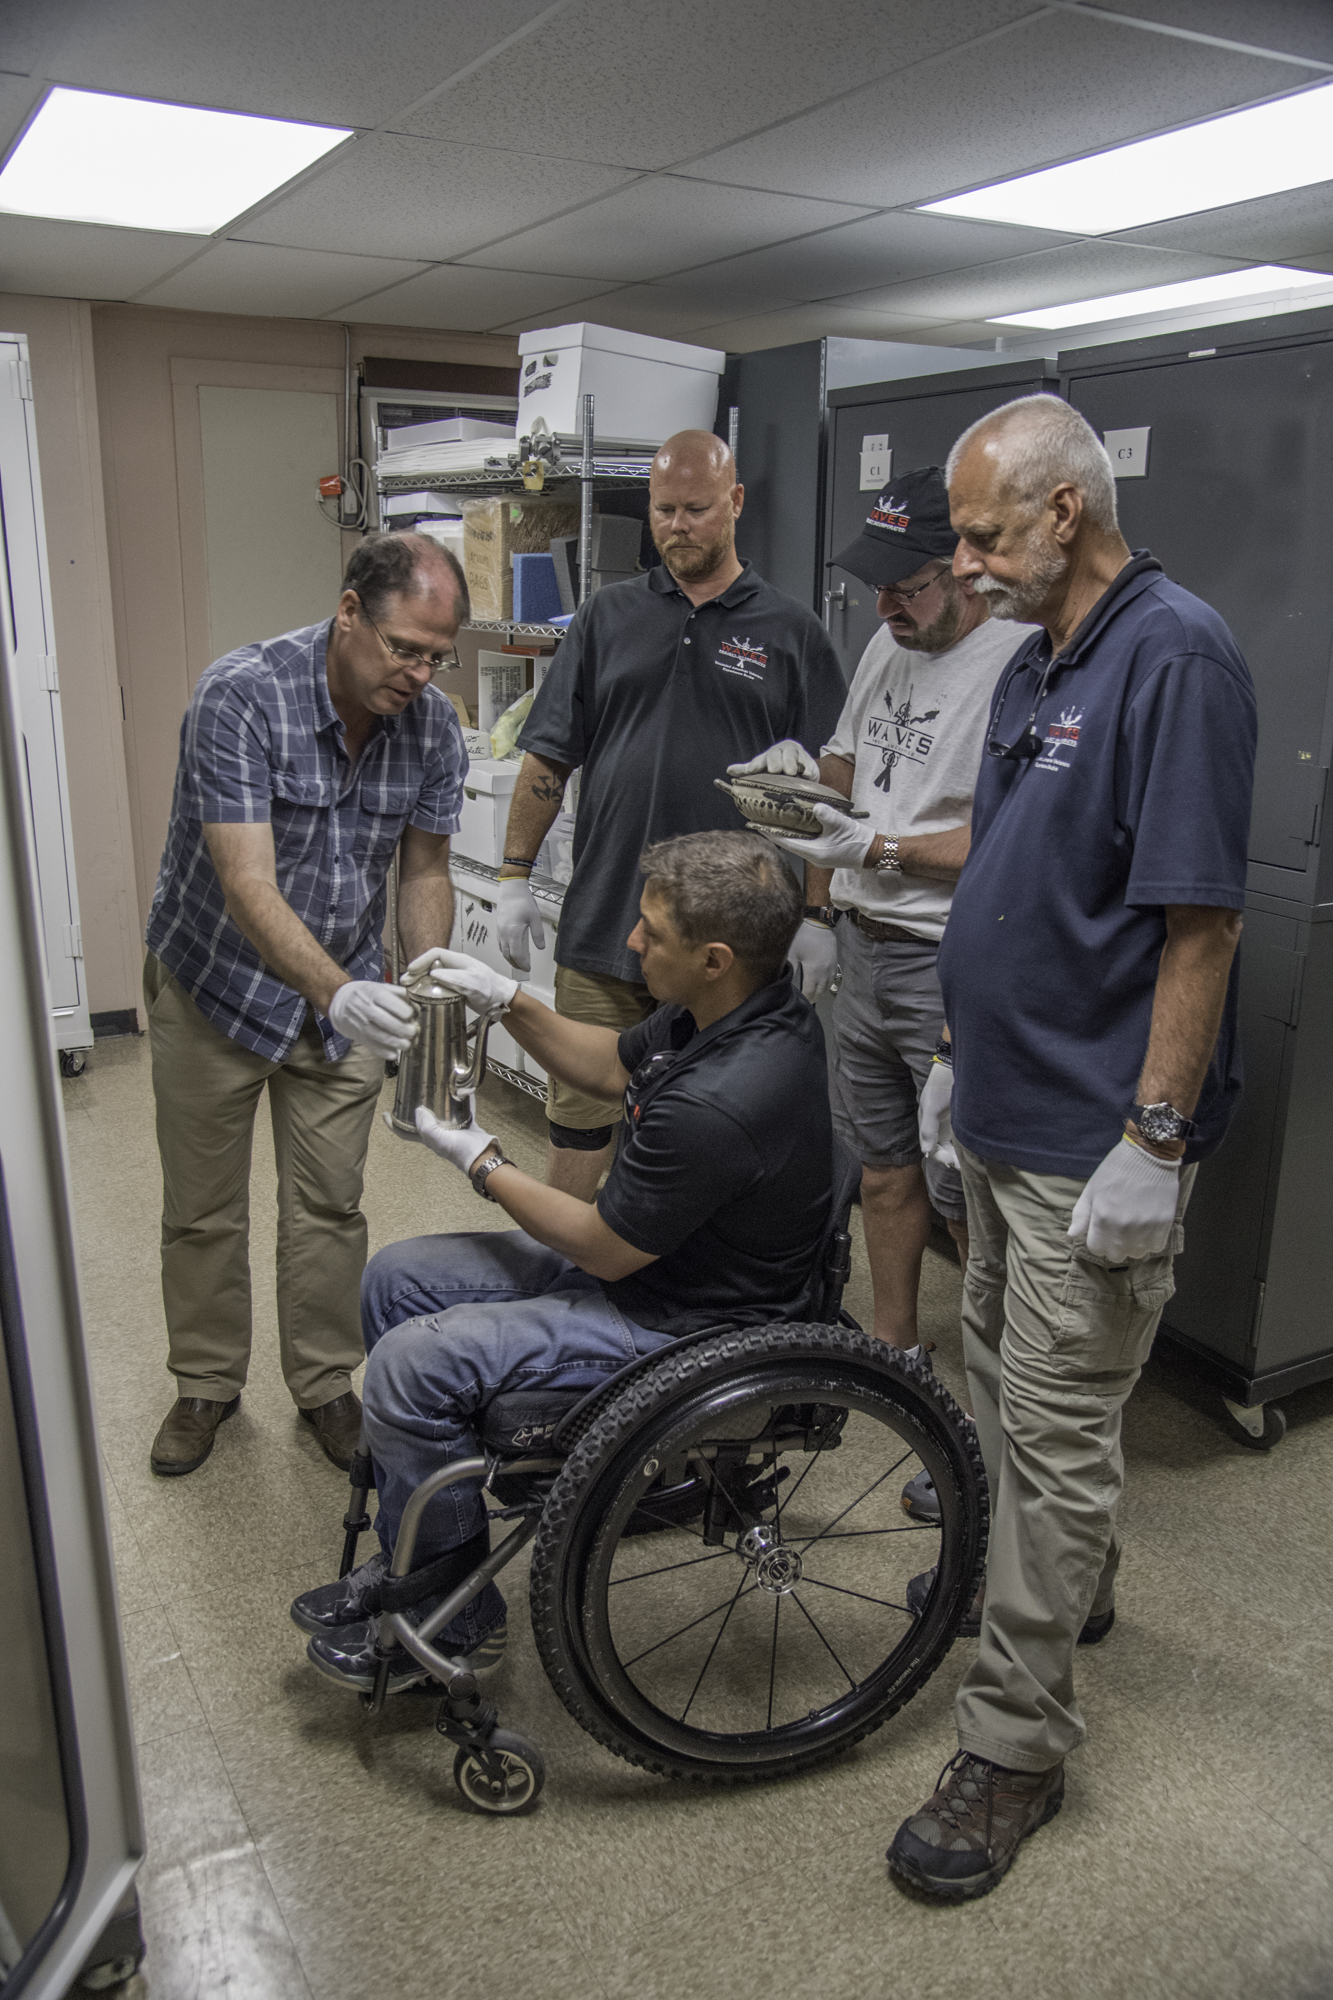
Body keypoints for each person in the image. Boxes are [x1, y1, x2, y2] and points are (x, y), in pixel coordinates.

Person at [884, 395, 1256, 1902]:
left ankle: (1015, 1743)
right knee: (1000, 1379)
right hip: (999, 1107)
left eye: (982, 535)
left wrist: (1153, 1138)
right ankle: (1064, 1589)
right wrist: (952, 1051)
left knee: (1050, 1439)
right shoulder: (1039, 657)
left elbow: (1201, 923)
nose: (962, 563)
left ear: (1063, 511)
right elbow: (1009, 867)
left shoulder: (1176, 657)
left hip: (1090, 1134)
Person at [287, 830, 833, 1692]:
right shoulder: (725, 1010)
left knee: (411, 1363)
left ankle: (456, 1625)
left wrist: (480, 1159)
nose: (632, 940)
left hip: (687, 1321)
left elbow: (600, 1249)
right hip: (663, 1264)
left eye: (653, 932)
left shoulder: (723, 1099)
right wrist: (507, 999)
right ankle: (425, 1537)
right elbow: (612, 1067)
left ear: (715, 958)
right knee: (396, 1278)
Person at [144, 533, 468, 1479]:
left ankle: (325, 1382)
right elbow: (246, 881)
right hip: (215, 984)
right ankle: (206, 1381)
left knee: (329, 1203)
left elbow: (425, 869)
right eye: (404, 649)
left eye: (437, 657)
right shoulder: (241, 696)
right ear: (349, 613)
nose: (419, 675)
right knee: (203, 1208)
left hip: (344, 997)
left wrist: (425, 989)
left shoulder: (432, 725)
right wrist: (341, 992)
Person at [494, 429, 845, 1201]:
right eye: (663, 511)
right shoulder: (604, 618)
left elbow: (828, 790)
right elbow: (548, 757)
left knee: (710, 1122)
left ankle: (682, 1272)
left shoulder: (791, 634)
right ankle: (571, 1263)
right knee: (579, 1119)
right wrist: (513, 875)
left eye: (696, 509)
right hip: (605, 919)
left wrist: (817, 915)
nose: (677, 526)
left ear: (735, 503)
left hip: (726, 939)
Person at [750, 466, 1036, 1355]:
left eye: (904, 588)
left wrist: (874, 850)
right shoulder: (889, 640)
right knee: (882, 1170)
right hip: (863, 947)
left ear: (965, 569)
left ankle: (990, 1407)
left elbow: (1013, 840)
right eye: (874, 588)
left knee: (966, 1199)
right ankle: (893, 1357)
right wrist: (805, 793)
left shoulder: (1024, 662)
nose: (882, 608)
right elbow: (847, 765)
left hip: (949, 963)